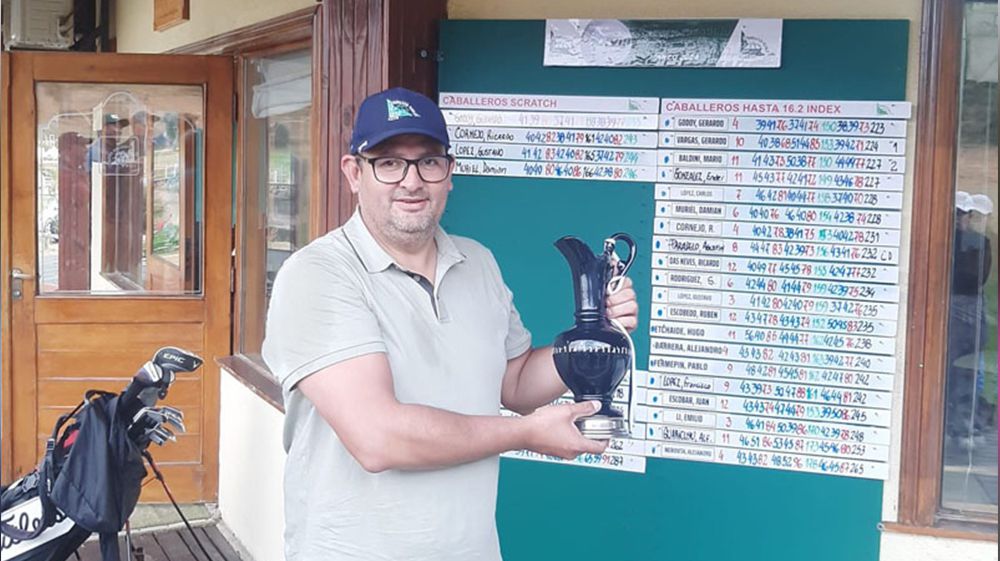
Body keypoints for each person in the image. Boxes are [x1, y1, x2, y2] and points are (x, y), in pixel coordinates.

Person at [261, 87, 639, 561]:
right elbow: (378, 437)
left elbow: (517, 383)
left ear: (449, 173)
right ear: (354, 173)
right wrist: (524, 434)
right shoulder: (317, 274)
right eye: (389, 162)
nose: (412, 181)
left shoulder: (477, 262)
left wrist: (595, 337)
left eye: (428, 162)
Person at [945, 191, 994, 449]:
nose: (960, 219)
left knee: (965, 370)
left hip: (965, 311)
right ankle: (959, 424)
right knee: (963, 370)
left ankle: (962, 424)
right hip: (963, 312)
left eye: (962, 214)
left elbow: (975, 278)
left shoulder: (974, 242)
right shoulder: (975, 241)